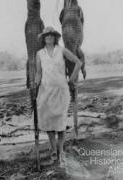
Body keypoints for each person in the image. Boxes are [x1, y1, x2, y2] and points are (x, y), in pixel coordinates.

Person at [34, 26, 82, 164]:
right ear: (43, 38)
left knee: (60, 122)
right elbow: (39, 73)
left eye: (51, 35)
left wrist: (71, 80)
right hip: (45, 91)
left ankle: (61, 151)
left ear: (55, 37)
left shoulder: (61, 50)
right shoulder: (39, 54)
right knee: (49, 122)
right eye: (47, 35)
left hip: (61, 90)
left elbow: (78, 62)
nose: (49, 37)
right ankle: (53, 150)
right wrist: (35, 84)